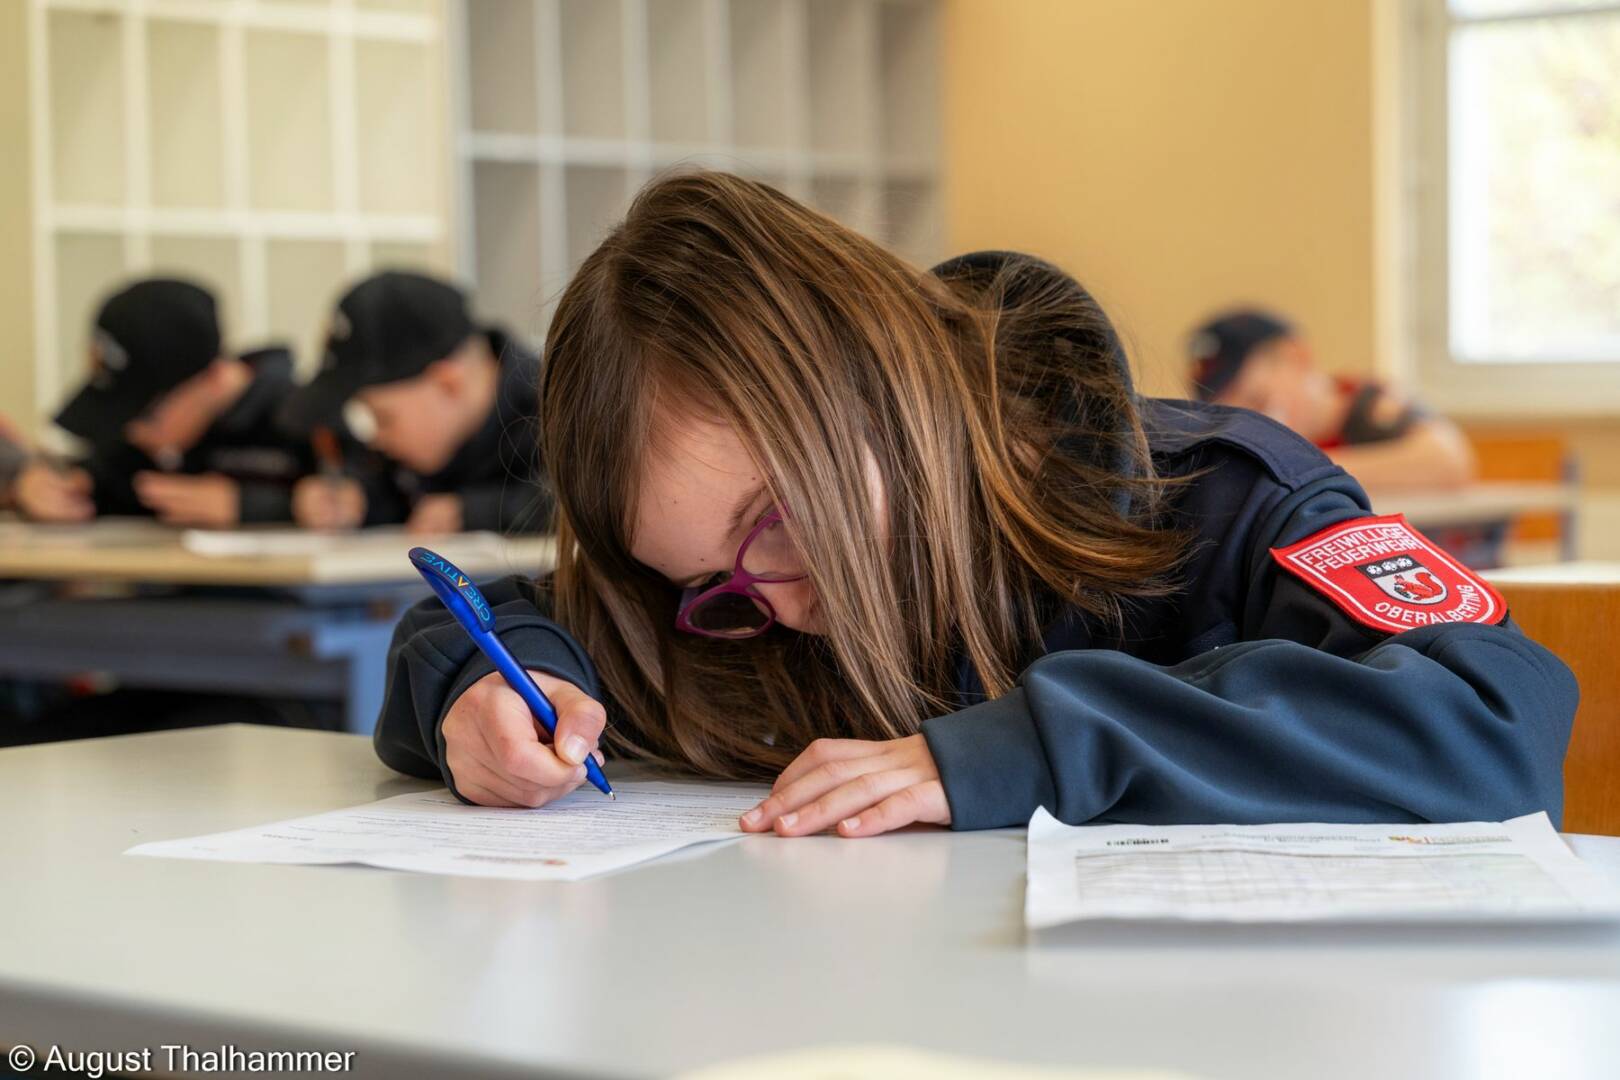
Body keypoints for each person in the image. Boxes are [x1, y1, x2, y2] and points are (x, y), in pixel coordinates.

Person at [372, 171, 1574, 837]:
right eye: (708, 585)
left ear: (882, 388)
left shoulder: (1223, 498)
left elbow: (1488, 714)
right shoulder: (745, 601)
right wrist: (479, 690)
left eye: (779, 520)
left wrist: (1030, 748)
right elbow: (507, 615)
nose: (781, 609)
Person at [12, 279, 307, 525]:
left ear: (213, 380)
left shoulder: (301, 422)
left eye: (146, 416)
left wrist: (263, 510)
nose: (133, 432)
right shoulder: (144, 446)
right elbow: (100, 477)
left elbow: (347, 503)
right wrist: (40, 488)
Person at [280, 272, 550, 535]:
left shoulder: (569, 420)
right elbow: (390, 489)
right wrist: (355, 501)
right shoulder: (420, 450)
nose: (376, 439)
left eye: (383, 418)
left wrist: (478, 513)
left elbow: (578, 502)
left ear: (448, 382)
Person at [1187, 310, 1477, 490]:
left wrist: (1292, 468)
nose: (1249, 420)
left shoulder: (1367, 405)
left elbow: (1449, 460)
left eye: (1257, 399)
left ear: (1295, 356)